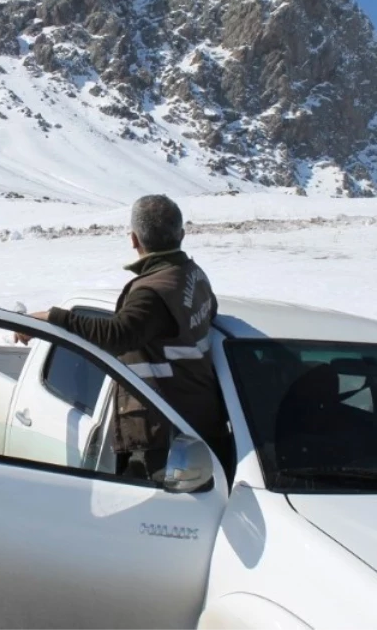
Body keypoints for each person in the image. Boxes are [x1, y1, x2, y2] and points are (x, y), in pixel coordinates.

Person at [21, 195, 233, 482]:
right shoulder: (193, 275)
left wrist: (52, 317)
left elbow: (117, 335)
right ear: (182, 235)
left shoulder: (153, 291)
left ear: (134, 239)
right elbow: (209, 313)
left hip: (165, 430)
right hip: (198, 420)